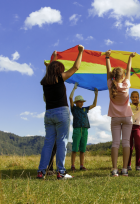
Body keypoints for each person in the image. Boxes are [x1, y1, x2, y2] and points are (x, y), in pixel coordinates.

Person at [37, 45, 84, 180]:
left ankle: (41, 172)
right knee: (62, 142)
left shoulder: (45, 81)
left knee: (48, 143)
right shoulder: (60, 78)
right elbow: (76, 67)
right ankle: (61, 172)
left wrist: (54, 57)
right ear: (58, 70)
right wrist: (80, 52)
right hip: (61, 113)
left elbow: (49, 70)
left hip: (49, 114)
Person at [106, 50, 135, 177]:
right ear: (123, 77)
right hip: (127, 118)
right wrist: (130, 58)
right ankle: (124, 170)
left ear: (113, 76)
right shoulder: (126, 84)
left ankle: (114, 169)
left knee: (115, 143)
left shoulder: (110, 84)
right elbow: (129, 70)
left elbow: (108, 71)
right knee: (126, 143)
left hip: (115, 119)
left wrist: (107, 57)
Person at [69, 83, 98, 171]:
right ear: (76, 102)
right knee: (74, 148)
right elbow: (70, 98)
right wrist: (74, 89)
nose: (82, 103)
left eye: (82, 102)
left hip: (85, 129)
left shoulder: (85, 109)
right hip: (77, 129)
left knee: (82, 149)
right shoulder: (73, 109)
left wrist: (96, 94)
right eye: (80, 102)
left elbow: (94, 104)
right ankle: (73, 166)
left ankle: (82, 165)